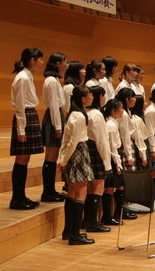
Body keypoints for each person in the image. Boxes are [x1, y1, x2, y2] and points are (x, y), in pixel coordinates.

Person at [58, 85, 95, 245]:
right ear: (82, 98)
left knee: (72, 193)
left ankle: (68, 231)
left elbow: (66, 141)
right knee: (80, 193)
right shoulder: (79, 116)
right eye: (90, 95)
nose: (92, 97)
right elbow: (72, 142)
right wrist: (63, 160)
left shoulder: (73, 114)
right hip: (79, 152)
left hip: (74, 152)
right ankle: (75, 234)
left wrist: (62, 159)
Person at [10, 48, 45, 210]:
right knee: (21, 160)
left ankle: (21, 196)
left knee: (25, 160)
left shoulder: (26, 76)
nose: (42, 62)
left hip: (29, 115)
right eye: (40, 59)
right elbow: (19, 105)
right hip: (24, 117)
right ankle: (16, 198)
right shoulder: (23, 78)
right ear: (32, 60)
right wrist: (21, 130)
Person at [82, 86, 112, 233]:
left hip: (86, 149)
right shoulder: (97, 114)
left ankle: (86, 220)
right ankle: (92, 222)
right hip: (96, 150)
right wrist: (107, 162)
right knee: (98, 187)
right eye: (102, 95)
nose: (104, 99)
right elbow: (102, 140)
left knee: (88, 187)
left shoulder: (83, 112)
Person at [41, 52, 69, 203]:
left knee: (53, 157)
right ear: (58, 64)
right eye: (65, 61)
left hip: (56, 115)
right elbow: (53, 104)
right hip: (53, 118)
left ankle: (50, 190)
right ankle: (48, 191)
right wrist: (57, 126)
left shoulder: (54, 80)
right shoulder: (51, 81)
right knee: (50, 158)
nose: (67, 65)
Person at [114, 87, 137, 220]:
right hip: (124, 147)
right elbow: (125, 135)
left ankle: (124, 209)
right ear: (128, 99)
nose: (135, 100)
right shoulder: (123, 113)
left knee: (125, 181)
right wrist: (129, 154)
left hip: (124, 146)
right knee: (123, 181)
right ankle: (121, 211)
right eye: (133, 97)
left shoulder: (126, 111)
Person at [100, 99, 124, 226]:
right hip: (112, 158)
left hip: (114, 157)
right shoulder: (111, 125)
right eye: (121, 108)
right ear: (114, 110)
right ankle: (107, 216)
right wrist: (118, 164)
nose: (123, 111)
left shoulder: (112, 123)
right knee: (109, 189)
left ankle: (114, 215)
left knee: (116, 187)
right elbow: (112, 147)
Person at [130, 95, 150, 172]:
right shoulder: (136, 119)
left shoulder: (140, 117)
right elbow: (139, 138)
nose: (146, 103)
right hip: (140, 148)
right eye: (144, 102)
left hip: (143, 146)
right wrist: (143, 157)